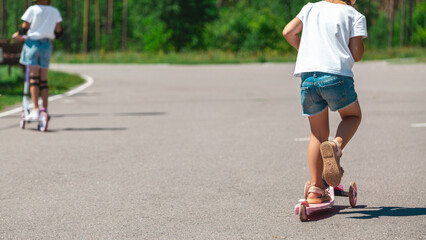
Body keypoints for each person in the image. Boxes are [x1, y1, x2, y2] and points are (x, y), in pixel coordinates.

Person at [283, 0, 367, 204]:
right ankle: (336, 146)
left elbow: (288, 32)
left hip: (308, 79)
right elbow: (357, 53)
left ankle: (315, 189)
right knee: (353, 116)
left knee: (316, 134)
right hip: (336, 77)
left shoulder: (311, 7)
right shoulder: (354, 15)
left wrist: (307, 52)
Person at [13, 0, 62, 120]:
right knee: (44, 80)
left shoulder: (32, 10)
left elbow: (24, 28)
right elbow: (58, 31)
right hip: (46, 45)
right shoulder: (54, 11)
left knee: (34, 79)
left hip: (32, 45)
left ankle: (35, 108)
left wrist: (17, 34)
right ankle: (44, 109)